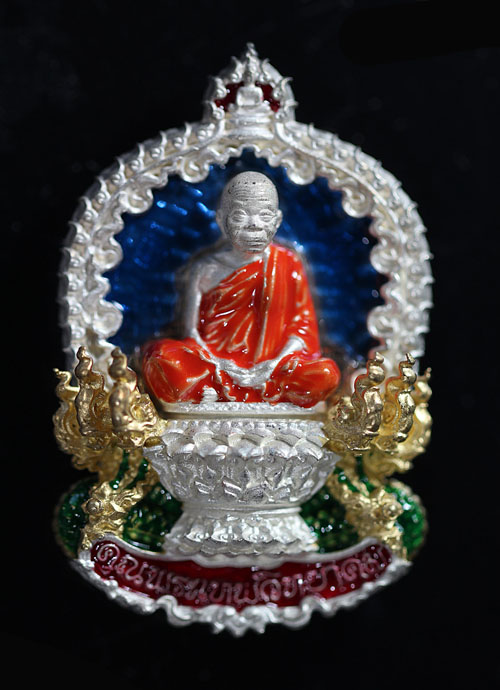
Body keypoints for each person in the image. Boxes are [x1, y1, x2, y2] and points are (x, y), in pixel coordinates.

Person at [141, 171, 340, 408]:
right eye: (239, 215)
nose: (254, 225)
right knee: (161, 357)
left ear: (277, 221)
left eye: (264, 215)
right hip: (214, 365)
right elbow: (190, 331)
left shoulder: (287, 263)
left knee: (326, 373)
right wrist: (218, 363)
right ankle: (218, 386)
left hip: (273, 369)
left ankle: (222, 390)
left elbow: (302, 328)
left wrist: (273, 364)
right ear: (221, 220)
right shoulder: (204, 268)